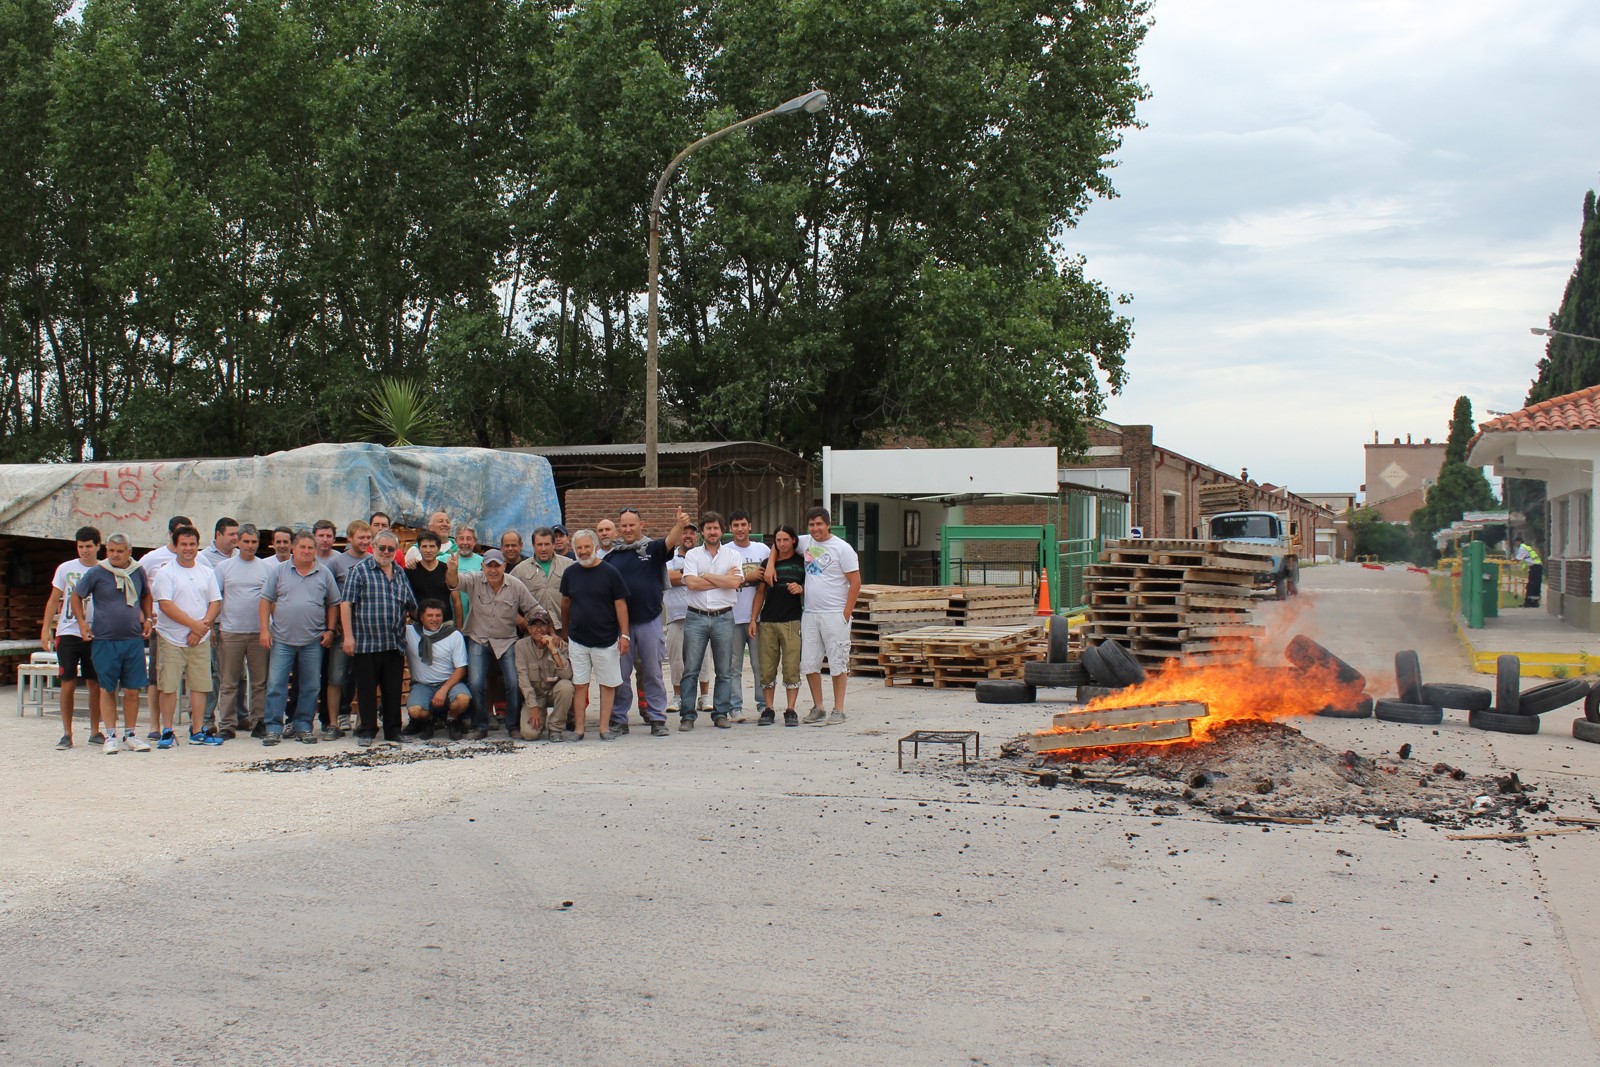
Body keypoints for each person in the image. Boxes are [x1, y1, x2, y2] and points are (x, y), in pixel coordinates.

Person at [605, 507, 689, 737]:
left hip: (649, 621)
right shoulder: (613, 555)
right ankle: (619, 719)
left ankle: (657, 718)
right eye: (624, 525)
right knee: (620, 675)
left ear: (642, 525)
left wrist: (680, 525)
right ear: (619, 528)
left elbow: (670, 541)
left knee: (652, 672)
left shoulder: (652, 549)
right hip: (621, 626)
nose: (628, 529)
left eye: (632, 524)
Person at [72, 533, 155, 754]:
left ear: (129, 551)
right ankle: (110, 735)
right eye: (111, 550)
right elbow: (76, 595)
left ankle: (131, 734)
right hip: (105, 639)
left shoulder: (137, 571)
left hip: (132, 639)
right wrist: (82, 623)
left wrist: (148, 618)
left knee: (132, 690)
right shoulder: (97, 572)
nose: (115, 555)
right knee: (107, 688)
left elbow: (146, 594)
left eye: (120, 551)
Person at [447, 548, 538, 739]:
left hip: (506, 640)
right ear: (483, 566)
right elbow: (453, 583)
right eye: (490, 566)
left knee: (514, 682)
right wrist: (453, 569)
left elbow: (534, 608)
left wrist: (543, 629)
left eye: (498, 565)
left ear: (504, 566)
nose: (494, 570)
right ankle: (480, 726)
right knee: (477, 682)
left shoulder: (515, 585)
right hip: (478, 638)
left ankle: (513, 726)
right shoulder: (473, 580)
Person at [259, 532, 339, 745]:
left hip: (313, 639)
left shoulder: (324, 573)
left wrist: (330, 630)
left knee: (311, 685)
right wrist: (264, 630)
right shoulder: (279, 571)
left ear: (315, 550)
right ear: (293, 548)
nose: (306, 551)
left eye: (310, 548)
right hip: (282, 639)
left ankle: (304, 725)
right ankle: (273, 728)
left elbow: (333, 603)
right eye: (302, 547)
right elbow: (265, 600)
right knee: (276, 684)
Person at [340, 530, 416, 746]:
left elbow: (411, 604)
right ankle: (367, 731)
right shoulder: (360, 570)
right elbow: (346, 603)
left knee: (392, 689)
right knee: (366, 690)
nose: (386, 552)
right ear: (374, 547)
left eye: (391, 549)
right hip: (366, 643)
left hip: (393, 643)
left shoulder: (400, 573)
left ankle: (393, 731)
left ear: (396, 551)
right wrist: (348, 637)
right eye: (381, 548)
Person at [151, 524, 224, 748]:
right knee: (169, 685)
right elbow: (165, 605)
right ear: (176, 545)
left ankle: (197, 730)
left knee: (200, 685)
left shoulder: (206, 572)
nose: (188, 548)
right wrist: (195, 626)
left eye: (192, 544)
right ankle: (167, 730)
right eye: (183, 544)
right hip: (172, 637)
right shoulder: (165, 573)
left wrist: (201, 628)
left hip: (199, 639)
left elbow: (215, 602)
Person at [559, 530, 631, 740]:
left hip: (606, 639)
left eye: (586, 547)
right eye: (579, 548)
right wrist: (565, 630)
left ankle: (604, 728)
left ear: (595, 547)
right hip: (578, 639)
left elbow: (621, 605)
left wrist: (624, 635)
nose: (583, 552)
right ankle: (579, 730)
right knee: (580, 684)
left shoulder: (610, 572)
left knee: (607, 685)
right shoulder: (570, 573)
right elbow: (565, 603)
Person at [676, 512, 744, 730]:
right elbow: (692, 584)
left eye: (716, 528)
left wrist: (706, 576)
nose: (712, 532)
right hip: (696, 616)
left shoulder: (733, 555)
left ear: (721, 530)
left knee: (724, 669)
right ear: (702, 532)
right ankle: (687, 716)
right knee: (691, 670)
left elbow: (735, 583)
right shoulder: (693, 555)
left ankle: (720, 713)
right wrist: (722, 579)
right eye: (708, 529)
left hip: (724, 616)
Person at [40, 526, 106, 749]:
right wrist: (46, 628)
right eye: (81, 547)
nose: (85, 551)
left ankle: (96, 730)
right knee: (67, 681)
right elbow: (53, 598)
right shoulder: (66, 568)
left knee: (94, 683)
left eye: (89, 546)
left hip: (96, 632)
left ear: (98, 546)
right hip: (68, 630)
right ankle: (67, 732)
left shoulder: (104, 569)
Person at [797, 507, 861, 725]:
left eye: (819, 524)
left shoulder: (842, 549)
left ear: (828, 524)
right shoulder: (806, 542)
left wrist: (846, 613)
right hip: (811, 613)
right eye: (812, 524)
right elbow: (781, 542)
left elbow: (855, 582)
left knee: (837, 661)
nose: (815, 529)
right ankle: (818, 706)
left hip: (835, 614)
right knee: (809, 662)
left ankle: (839, 708)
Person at [213, 525, 273, 738]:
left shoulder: (266, 568)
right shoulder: (224, 567)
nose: (250, 546)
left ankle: (259, 721)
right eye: (246, 542)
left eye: (254, 542)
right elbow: (215, 598)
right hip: (231, 632)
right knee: (229, 681)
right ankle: (227, 724)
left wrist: (269, 628)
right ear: (237, 542)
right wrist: (214, 626)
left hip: (259, 632)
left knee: (260, 681)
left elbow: (272, 600)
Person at [752, 524, 805, 726]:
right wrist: (753, 619)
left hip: (792, 621)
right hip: (768, 621)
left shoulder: (802, 563)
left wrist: (800, 589)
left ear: (793, 540)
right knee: (767, 668)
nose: (782, 544)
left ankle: (790, 709)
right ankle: (769, 708)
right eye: (778, 540)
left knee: (791, 667)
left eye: (785, 539)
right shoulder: (767, 563)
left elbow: (813, 586)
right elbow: (760, 593)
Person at [403, 598, 471, 740]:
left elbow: (461, 669)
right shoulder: (409, 632)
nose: (434, 619)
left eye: (438, 616)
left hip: (449, 682)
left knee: (463, 699)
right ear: (421, 617)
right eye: (430, 616)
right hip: (422, 684)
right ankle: (429, 720)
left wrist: (443, 690)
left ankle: (452, 719)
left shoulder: (453, 635)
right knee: (415, 710)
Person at [313, 518, 356, 739]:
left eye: (329, 535)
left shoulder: (340, 560)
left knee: (350, 675)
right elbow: (328, 598)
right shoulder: (327, 564)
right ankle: (328, 720)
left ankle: (344, 714)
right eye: (321, 535)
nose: (325, 539)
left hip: (350, 628)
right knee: (331, 675)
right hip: (326, 628)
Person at [726, 510, 771, 723]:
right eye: (735, 525)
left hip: (758, 617)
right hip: (732, 617)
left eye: (743, 524)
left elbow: (770, 578)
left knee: (759, 664)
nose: (740, 529)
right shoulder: (725, 552)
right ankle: (735, 707)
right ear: (730, 528)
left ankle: (763, 705)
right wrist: (746, 577)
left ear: (750, 526)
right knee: (733, 666)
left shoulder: (762, 549)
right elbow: (724, 580)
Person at [665, 523, 712, 714]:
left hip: (701, 613)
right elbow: (666, 577)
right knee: (676, 658)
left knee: (704, 657)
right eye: (684, 532)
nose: (688, 536)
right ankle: (678, 696)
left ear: (698, 536)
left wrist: (683, 576)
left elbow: (711, 579)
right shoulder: (669, 556)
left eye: (692, 533)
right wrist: (693, 575)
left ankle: (704, 696)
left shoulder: (705, 555)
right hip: (676, 616)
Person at [514, 608, 575, 740]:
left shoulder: (560, 645)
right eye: (534, 626)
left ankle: (555, 728)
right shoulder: (521, 646)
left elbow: (567, 675)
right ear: (529, 629)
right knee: (529, 734)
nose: (538, 629)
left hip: (553, 692)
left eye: (542, 625)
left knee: (566, 686)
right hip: (535, 697)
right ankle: (541, 718)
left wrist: (553, 650)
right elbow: (523, 679)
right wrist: (533, 706)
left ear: (549, 628)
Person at [512, 526, 572, 632]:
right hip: (534, 632)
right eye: (539, 544)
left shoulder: (569, 565)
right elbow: (505, 599)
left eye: (547, 544)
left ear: (553, 545)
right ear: (533, 546)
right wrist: (519, 619)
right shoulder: (520, 570)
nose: (543, 549)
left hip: (564, 630)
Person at [406, 531, 453, 613]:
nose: (428, 550)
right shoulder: (410, 571)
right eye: (424, 546)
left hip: (445, 622)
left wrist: (458, 625)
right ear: (419, 549)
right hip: (418, 622)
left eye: (432, 546)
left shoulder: (447, 569)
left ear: (438, 548)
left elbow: (456, 600)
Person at [1516, 540, 1544, 607]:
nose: (1515, 544)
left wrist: (1515, 560)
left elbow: (1520, 557)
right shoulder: (1527, 547)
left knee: (1531, 585)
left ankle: (1528, 603)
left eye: (1515, 542)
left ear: (1518, 541)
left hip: (1534, 567)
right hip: (1537, 566)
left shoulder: (1522, 548)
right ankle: (1534, 602)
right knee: (1536, 585)